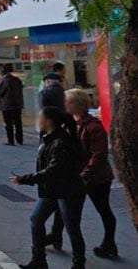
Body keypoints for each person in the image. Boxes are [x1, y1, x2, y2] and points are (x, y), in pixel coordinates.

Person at [11, 106, 86, 269]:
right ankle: (39, 260)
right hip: (52, 188)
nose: (38, 120)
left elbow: (54, 170)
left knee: (72, 227)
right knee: (36, 219)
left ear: (49, 120)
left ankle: (79, 264)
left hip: (68, 190)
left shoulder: (62, 141)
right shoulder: (48, 137)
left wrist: (25, 179)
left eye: (40, 117)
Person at [46, 89, 118, 259]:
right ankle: (56, 235)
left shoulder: (93, 127)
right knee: (62, 206)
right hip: (75, 176)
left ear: (77, 105)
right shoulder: (68, 123)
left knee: (103, 210)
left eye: (67, 101)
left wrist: (84, 175)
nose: (63, 104)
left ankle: (109, 243)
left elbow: (98, 155)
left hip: (96, 178)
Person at [0, 64, 25, 145]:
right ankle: (20, 139)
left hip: (7, 106)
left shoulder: (4, 81)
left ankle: (11, 140)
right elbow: (21, 88)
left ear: (2, 73)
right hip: (17, 104)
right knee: (18, 123)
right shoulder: (17, 79)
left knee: (8, 124)